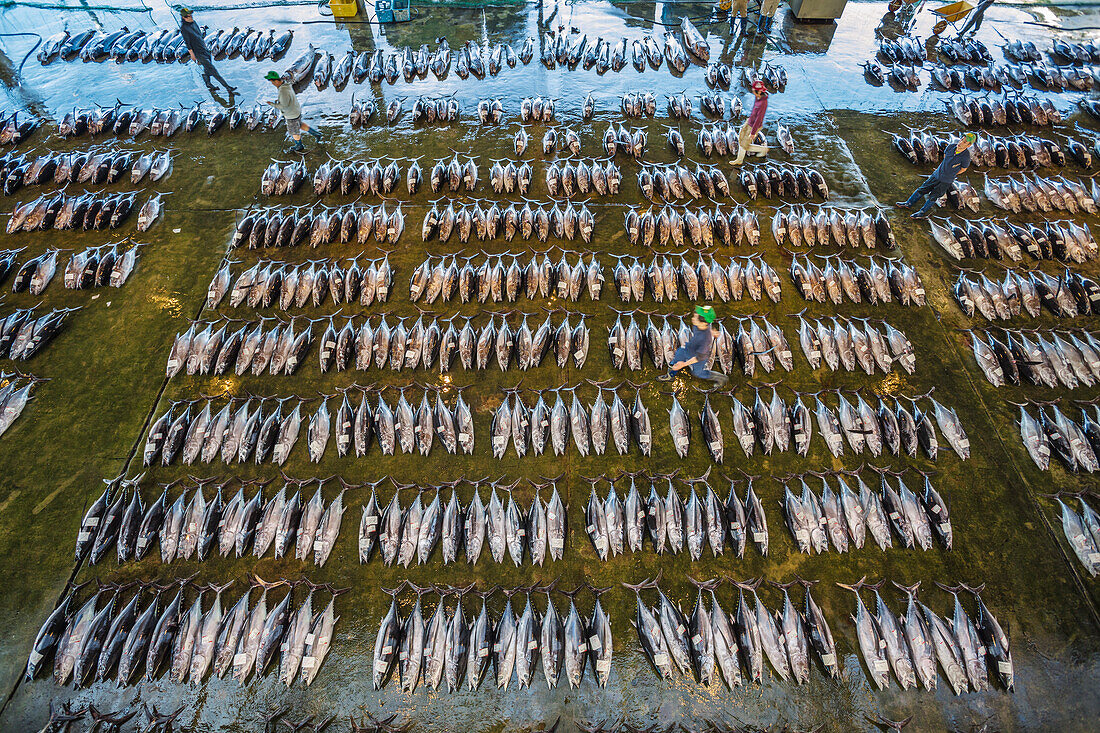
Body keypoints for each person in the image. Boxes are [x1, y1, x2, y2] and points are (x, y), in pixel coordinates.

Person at [896, 132, 974, 219]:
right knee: (921, 189)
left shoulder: (966, 157)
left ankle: (921, 212)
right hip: (936, 175)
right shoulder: (951, 146)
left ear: (968, 145)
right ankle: (908, 203)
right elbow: (945, 157)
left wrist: (951, 173)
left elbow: (963, 169)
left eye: (964, 142)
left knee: (933, 197)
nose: (960, 143)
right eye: (961, 140)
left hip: (946, 181)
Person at [657, 306, 729, 389]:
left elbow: (699, 357)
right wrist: (712, 331)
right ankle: (671, 375)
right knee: (678, 354)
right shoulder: (699, 325)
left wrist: (683, 364)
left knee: (698, 373)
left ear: (703, 323)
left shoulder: (705, 339)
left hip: (699, 357)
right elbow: (708, 326)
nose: (693, 318)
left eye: (695, 317)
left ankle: (721, 378)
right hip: (692, 346)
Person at [178, 8, 235, 94]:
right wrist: (192, 55)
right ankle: (228, 87)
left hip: (205, 49)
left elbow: (199, 36)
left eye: (191, 15)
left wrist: (205, 46)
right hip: (198, 53)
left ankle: (208, 83)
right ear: (184, 17)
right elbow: (187, 43)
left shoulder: (193, 23)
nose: (190, 17)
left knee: (207, 68)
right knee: (213, 70)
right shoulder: (184, 28)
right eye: (188, 16)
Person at [265, 70, 323, 153]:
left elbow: (283, 106)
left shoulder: (282, 90)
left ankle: (299, 146)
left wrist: (272, 104)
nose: (272, 84)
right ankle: (317, 134)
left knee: (294, 131)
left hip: (290, 114)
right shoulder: (286, 85)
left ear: (277, 80)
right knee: (299, 124)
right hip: (296, 110)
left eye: (272, 82)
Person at [732, 80, 769, 165]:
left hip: (754, 126)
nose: (752, 91)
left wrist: (753, 132)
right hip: (750, 121)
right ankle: (739, 159)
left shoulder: (763, 103)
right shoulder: (758, 97)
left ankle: (763, 149)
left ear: (759, 91)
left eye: (754, 89)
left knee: (745, 145)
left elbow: (759, 119)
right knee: (741, 140)